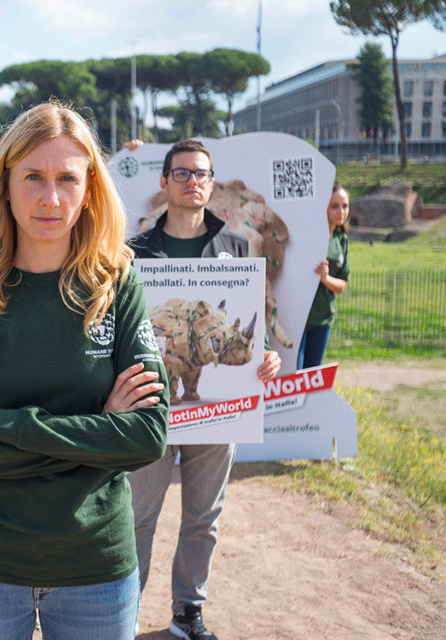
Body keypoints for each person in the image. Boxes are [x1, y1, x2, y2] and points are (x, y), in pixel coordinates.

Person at [0, 102, 170, 640]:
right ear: (5, 184)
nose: (50, 197)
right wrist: (98, 432)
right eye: (33, 177)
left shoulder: (117, 285)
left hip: (96, 567)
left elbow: (148, 437)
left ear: (90, 191)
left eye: (67, 178)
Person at [125, 138, 282, 640]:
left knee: (204, 516)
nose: (192, 181)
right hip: (150, 404)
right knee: (136, 515)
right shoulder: (135, 252)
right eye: (182, 173)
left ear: (211, 184)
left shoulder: (236, 248)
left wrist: (267, 357)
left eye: (201, 174)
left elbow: (250, 332)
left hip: (217, 415)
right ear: (164, 181)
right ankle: (122, 608)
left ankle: (187, 610)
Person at [297, 184, 350, 370]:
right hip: (299, 320)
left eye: (344, 206)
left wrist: (326, 278)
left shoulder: (341, 240)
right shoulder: (306, 236)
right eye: (334, 206)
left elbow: (342, 286)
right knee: (294, 380)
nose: (341, 211)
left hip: (323, 320)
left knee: (312, 380)